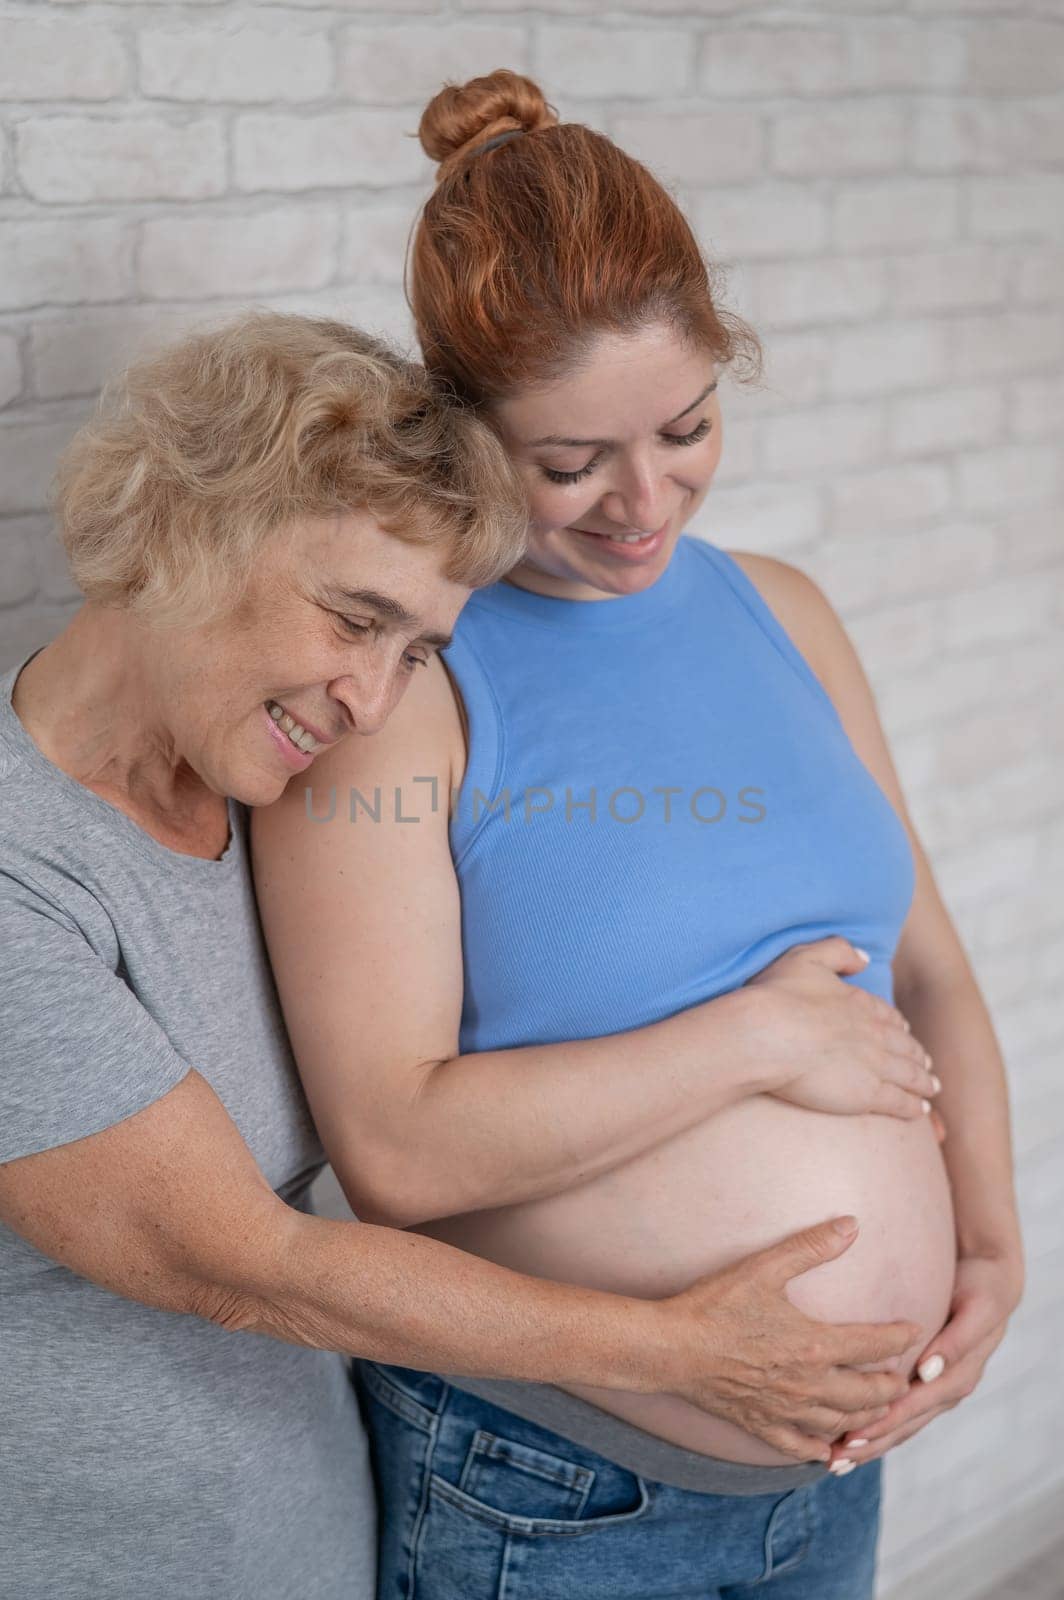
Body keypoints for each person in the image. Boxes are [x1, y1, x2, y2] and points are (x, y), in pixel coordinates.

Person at [0, 312, 926, 1600]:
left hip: (305, 1536)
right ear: (180, 534)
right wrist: (678, 1350)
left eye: (419, 649)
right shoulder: (19, 881)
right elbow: (244, 1267)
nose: (374, 704)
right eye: (351, 619)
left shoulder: (248, 796)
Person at [251, 74, 1026, 1600]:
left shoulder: (785, 613)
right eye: (567, 465)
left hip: (830, 1482)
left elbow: (926, 966)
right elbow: (395, 1148)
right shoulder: (405, 682)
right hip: (549, 1491)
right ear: (466, 433)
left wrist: (989, 1247)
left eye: (686, 428)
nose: (641, 502)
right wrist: (750, 1042)